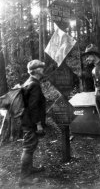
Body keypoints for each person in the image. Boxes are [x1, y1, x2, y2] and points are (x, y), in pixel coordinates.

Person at [19, 59, 46, 187]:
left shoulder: (28, 82)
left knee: (30, 146)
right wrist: (38, 123)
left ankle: (30, 169)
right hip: (31, 121)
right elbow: (33, 106)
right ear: (35, 71)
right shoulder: (34, 84)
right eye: (41, 68)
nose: (43, 70)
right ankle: (24, 178)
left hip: (26, 119)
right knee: (29, 147)